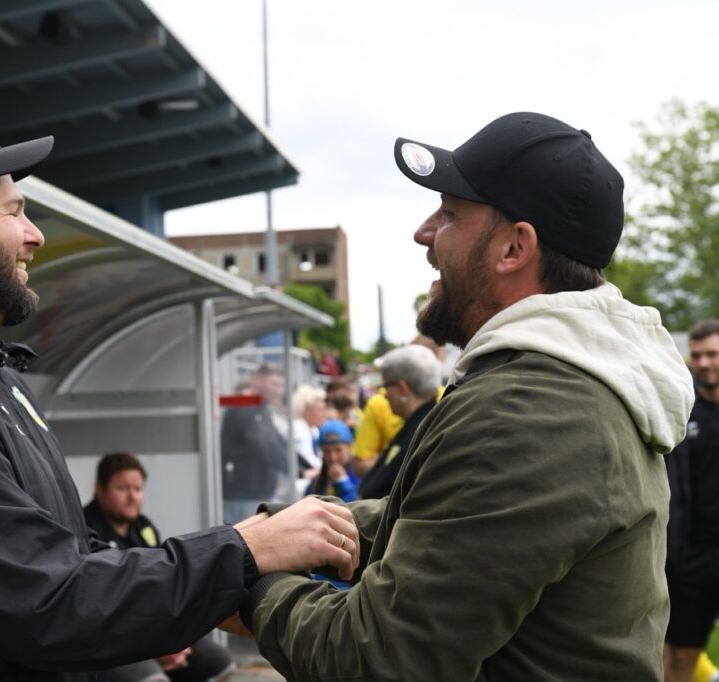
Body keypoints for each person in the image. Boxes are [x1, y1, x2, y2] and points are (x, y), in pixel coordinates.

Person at [0, 124, 361, 682]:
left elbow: (67, 553)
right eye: (14, 212)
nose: (34, 235)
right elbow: (46, 603)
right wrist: (245, 549)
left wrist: (220, 592)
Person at [230, 112, 695, 679]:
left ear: (513, 249)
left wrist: (256, 585)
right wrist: (283, 530)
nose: (424, 233)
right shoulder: (568, 381)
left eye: (449, 214)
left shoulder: (527, 415)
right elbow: (454, 518)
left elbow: (374, 658)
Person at [83, 453, 235, 682]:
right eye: (122, 488)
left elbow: (164, 584)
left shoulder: (144, 528)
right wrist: (156, 643)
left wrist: (174, 637)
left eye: (137, 488)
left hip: (153, 625)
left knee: (220, 664)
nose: (132, 496)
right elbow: (100, 602)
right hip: (111, 637)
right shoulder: (85, 529)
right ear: (100, 490)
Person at [664, 319, 719, 682]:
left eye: (712, 354)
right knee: (680, 656)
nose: (702, 363)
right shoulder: (680, 407)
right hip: (692, 557)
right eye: (696, 355)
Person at [357, 345, 441, 500]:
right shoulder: (426, 423)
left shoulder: (423, 430)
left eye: (386, 386)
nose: (384, 395)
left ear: (404, 388)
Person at [220, 363, 290, 522]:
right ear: (258, 381)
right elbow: (261, 446)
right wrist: (292, 468)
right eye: (274, 384)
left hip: (256, 493)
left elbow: (276, 442)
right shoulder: (243, 406)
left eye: (281, 385)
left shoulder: (260, 407)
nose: (278, 390)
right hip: (244, 495)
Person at [305, 420, 358, 503]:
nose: (333, 457)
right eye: (327, 451)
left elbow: (359, 507)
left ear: (349, 447)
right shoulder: (316, 483)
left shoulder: (360, 476)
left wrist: (342, 482)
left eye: (338, 450)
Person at [290, 384, 326, 478]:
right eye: (320, 410)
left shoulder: (314, 430)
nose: (323, 414)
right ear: (306, 411)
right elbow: (307, 457)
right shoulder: (297, 428)